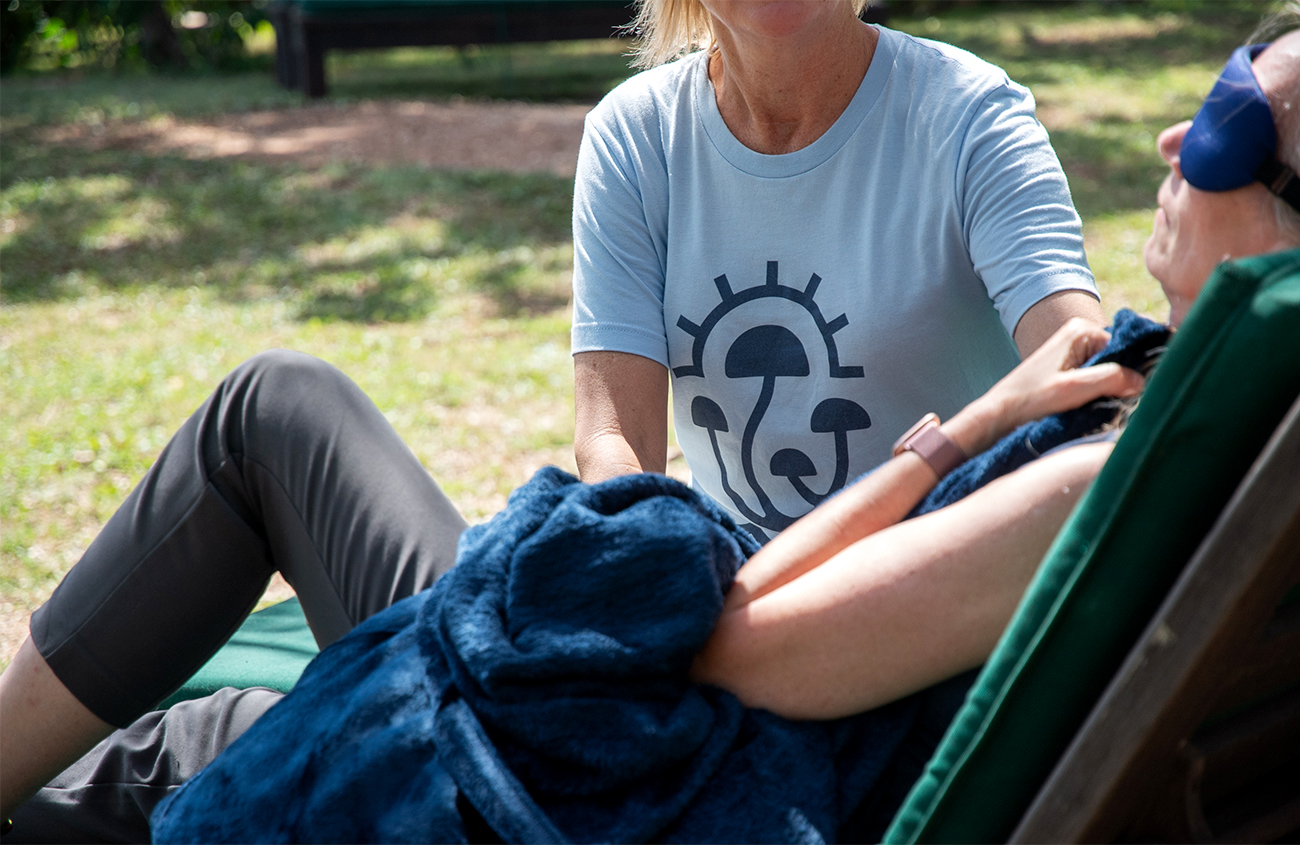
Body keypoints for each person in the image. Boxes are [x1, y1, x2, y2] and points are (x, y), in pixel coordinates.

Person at [3, 17, 1299, 845]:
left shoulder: (975, 142)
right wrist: (627, 558)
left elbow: (738, 648)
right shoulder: (643, 134)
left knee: (270, 424)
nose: (1184, 132)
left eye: (1234, 117)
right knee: (214, 730)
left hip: (677, 725)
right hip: (671, 618)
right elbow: (615, 454)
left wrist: (952, 440)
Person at [570, 0, 1106, 542]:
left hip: (961, 559)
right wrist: (643, 561)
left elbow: (1083, 368)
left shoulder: (970, 114)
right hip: (743, 590)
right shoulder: (633, 138)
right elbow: (614, 440)